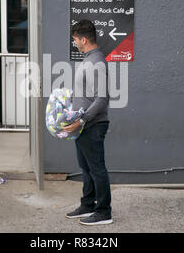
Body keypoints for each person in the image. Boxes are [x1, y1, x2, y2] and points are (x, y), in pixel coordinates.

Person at [63, 19, 112, 225]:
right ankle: (87, 205)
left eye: (75, 39)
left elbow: (102, 98)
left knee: (97, 168)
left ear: (83, 39)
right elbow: (86, 93)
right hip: (82, 125)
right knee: (86, 167)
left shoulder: (97, 62)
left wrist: (81, 120)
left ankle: (103, 212)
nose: (75, 43)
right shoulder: (88, 60)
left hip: (91, 125)